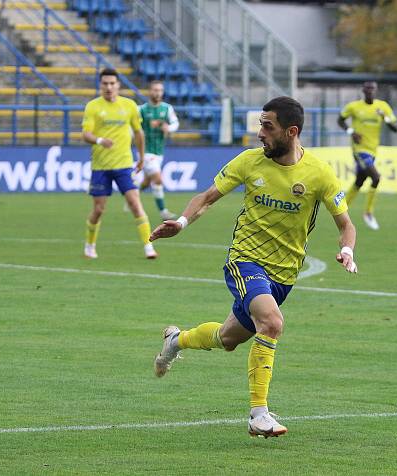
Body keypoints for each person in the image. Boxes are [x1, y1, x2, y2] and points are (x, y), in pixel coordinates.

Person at [150, 96, 358, 438]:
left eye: (267, 126)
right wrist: (182, 222)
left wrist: (347, 249)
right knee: (272, 323)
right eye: (260, 125)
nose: (260, 133)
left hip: (284, 275)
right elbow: (206, 198)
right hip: (245, 261)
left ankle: (176, 340)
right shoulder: (249, 162)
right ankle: (258, 414)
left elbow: (346, 224)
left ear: (291, 132)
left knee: (228, 338)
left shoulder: (319, 174)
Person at [82, 68, 157, 259]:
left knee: (134, 202)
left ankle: (149, 246)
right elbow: (86, 134)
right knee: (99, 210)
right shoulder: (93, 107)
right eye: (105, 83)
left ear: (118, 85)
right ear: (100, 85)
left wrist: (140, 157)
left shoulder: (129, 105)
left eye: (112, 83)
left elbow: (139, 132)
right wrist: (100, 141)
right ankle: (90, 245)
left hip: (124, 164)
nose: (108, 87)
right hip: (100, 166)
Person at [337, 81, 397, 231]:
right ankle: (368, 213)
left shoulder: (382, 107)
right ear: (363, 90)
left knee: (360, 180)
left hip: (373, 150)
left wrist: (385, 118)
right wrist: (351, 132)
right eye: (368, 88)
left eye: (373, 89)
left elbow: (395, 128)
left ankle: (340, 208)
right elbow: (340, 120)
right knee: (376, 177)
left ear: (376, 91)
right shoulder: (354, 106)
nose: (370, 91)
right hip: (359, 149)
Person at [137, 80, 180, 221]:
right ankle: (163, 212)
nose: (157, 93)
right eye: (155, 90)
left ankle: (132, 196)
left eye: (160, 90)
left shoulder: (167, 108)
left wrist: (169, 127)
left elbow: (175, 123)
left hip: (159, 151)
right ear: (150, 91)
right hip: (146, 151)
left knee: (146, 181)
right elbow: (134, 128)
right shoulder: (141, 110)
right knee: (158, 179)